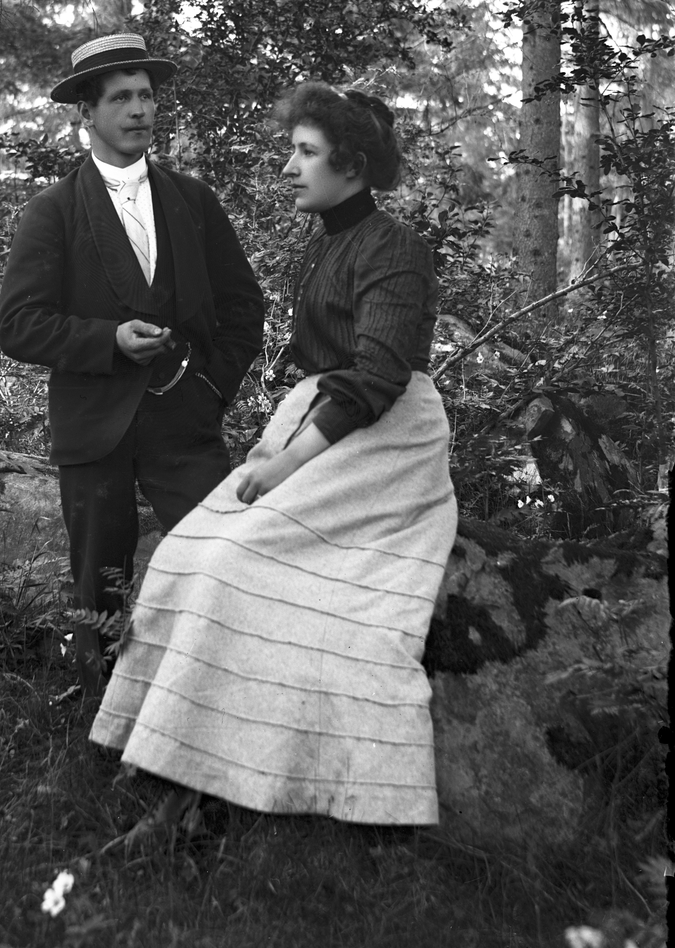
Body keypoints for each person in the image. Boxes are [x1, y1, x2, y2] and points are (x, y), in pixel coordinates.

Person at [89, 81, 458, 843]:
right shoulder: (325, 241)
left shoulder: (393, 246)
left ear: (351, 164)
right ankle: (170, 766)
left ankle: (204, 795)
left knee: (237, 565)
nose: (288, 167)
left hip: (383, 438)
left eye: (304, 153)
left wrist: (284, 465)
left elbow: (376, 379)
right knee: (188, 555)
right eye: (292, 150)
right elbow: (318, 359)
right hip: (322, 421)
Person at [0, 33, 265, 693]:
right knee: (99, 592)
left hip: (185, 423)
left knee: (223, 561)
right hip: (95, 429)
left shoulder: (192, 201)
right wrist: (108, 341)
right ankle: (101, 718)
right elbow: (18, 326)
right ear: (86, 112)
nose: (139, 110)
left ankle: (217, 709)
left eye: (146, 96)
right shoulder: (53, 211)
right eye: (121, 98)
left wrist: (211, 386)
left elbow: (243, 307)